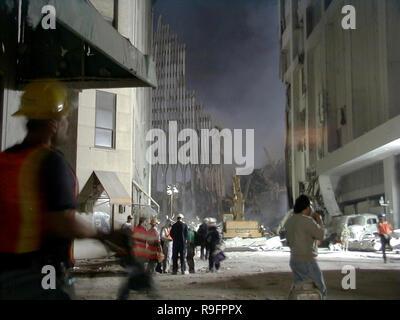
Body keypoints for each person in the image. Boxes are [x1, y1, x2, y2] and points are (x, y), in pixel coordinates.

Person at [0, 79, 112, 300]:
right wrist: (109, 235)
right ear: (53, 123)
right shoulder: (50, 162)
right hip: (42, 273)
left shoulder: (5, 159)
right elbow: (64, 223)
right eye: (65, 119)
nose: (68, 124)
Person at [284, 195, 327, 299]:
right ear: (307, 207)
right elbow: (321, 235)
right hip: (307, 260)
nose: (311, 209)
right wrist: (319, 220)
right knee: (320, 288)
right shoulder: (307, 221)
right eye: (311, 206)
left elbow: (289, 242)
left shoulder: (289, 222)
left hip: (294, 260)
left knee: (300, 289)